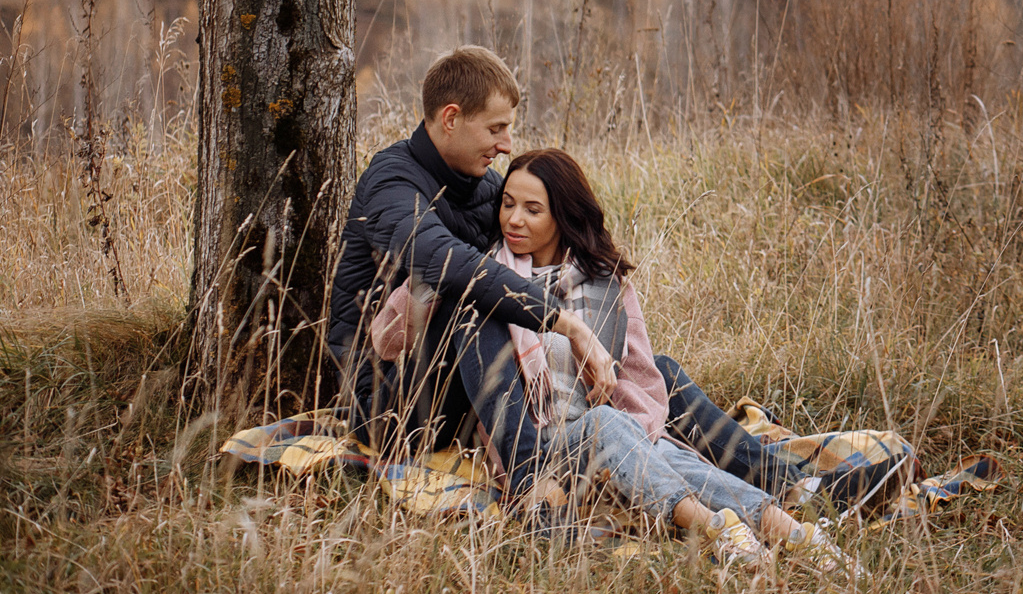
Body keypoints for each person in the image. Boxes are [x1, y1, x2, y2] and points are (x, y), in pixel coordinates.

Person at [326, 46, 805, 504]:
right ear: (451, 118)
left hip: (475, 388)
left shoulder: (486, 184)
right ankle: (535, 480)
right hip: (393, 402)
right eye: (496, 128)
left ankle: (794, 486)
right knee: (473, 297)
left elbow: (547, 229)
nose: (507, 144)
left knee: (656, 374)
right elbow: (449, 264)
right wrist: (567, 326)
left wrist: (600, 318)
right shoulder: (391, 183)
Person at [395, 148, 859, 574]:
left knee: (658, 448)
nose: (513, 219)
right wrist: (439, 279)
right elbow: (390, 335)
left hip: (614, 436)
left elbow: (642, 378)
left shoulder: (604, 281)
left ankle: (798, 534)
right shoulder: (486, 273)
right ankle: (714, 527)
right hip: (543, 448)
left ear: (563, 216)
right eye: (508, 203)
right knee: (608, 425)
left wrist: (640, 441)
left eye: (532, 210)